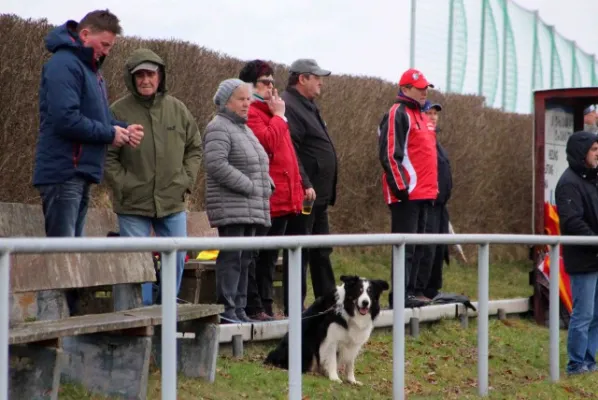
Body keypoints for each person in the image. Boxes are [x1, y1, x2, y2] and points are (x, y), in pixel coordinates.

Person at [31, 9, 142, 315]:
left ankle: (66, 322)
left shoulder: (92, 70)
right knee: (61, 254)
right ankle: (51, 322)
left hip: (80, 172)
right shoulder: (64, 65)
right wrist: (109, 133)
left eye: (110, 47)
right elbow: (65, 119)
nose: (107, 51)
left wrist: (120, 128)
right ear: (85, 35)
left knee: (71, 251)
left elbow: (98, 119)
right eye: (104, 45)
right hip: (64, 170)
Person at [105, 48, 202, 306]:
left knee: (178, 254)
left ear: (160, 76)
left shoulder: (178, 109)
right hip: (132, 203)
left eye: (150, 74)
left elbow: (195, 147)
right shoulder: (118, 111)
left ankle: (166, 312)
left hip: (172, 200)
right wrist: (123, 184)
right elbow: (106, 155)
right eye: (140, 75)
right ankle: (142, 314)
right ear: (131, 78)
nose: (145, 80)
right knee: (138, 260)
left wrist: (185, 180)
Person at [203, 78, 273, 323]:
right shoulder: (218, 127)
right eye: (241, 99)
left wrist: (267, 183)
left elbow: (258, 163)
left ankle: (240, 309)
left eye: (248, 99)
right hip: (232, 205)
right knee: (232, 258)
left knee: (245, 259)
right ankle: (227, 310)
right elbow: (216, 164)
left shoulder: (244, 128)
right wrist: (250, 185)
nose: (247, 104)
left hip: (250, 205)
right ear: (226, 101)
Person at [239, 60, 304, 321]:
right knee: (258, 256)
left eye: (272, 81)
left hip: (284, 198)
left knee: (270, 256)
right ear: (250, 86)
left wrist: (300, 188)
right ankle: (255, 306)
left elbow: (289, 154)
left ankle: (266, 305)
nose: (271, 87)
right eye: (265, 82)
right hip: (266, 197)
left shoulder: (271, 112)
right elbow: (267, 142)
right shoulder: (253, 113)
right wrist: (279, 116)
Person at [280, 59, 338, 316]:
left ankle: (328, 304)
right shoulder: (290, 105)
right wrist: (305, 183)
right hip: (305, 195)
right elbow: (291, 150)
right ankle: (295, 307)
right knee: (299, 251)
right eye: (316, 77)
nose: (321, 82)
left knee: (321, 251)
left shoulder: (309, 106)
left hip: (320, 197)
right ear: (302, 78)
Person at [377, 68, 438, 309]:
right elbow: (390, 153)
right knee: (406, 249)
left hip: (425, 193)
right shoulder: (397, 112)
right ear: (405, 89)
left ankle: (410, 292)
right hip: (408, 195)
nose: (424, 91)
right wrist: (402, 189)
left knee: (419, 247)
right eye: (419, 87)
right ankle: (399, 296)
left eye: (426, 87)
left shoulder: (421, 114)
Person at [555, 130, 598, 376]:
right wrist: (595, 241)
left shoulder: (593, 179)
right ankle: (576, 364)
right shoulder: (569, 182)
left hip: (595, 255)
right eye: (593, 150)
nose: (597, 154)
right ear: (582, 153)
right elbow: (572, 221)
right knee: (582, 314)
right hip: (583, 258)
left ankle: (589, 361)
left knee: (596, 314)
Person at [420, 101, 453, 299]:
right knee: (427, 249)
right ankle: (421, 289)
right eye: (429, 113)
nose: (433, 117)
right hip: (428, 203)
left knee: (440, 249)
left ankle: (433, 289)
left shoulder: (436, 141)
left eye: (435, 114)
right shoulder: (422, 140)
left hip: (441, 206)